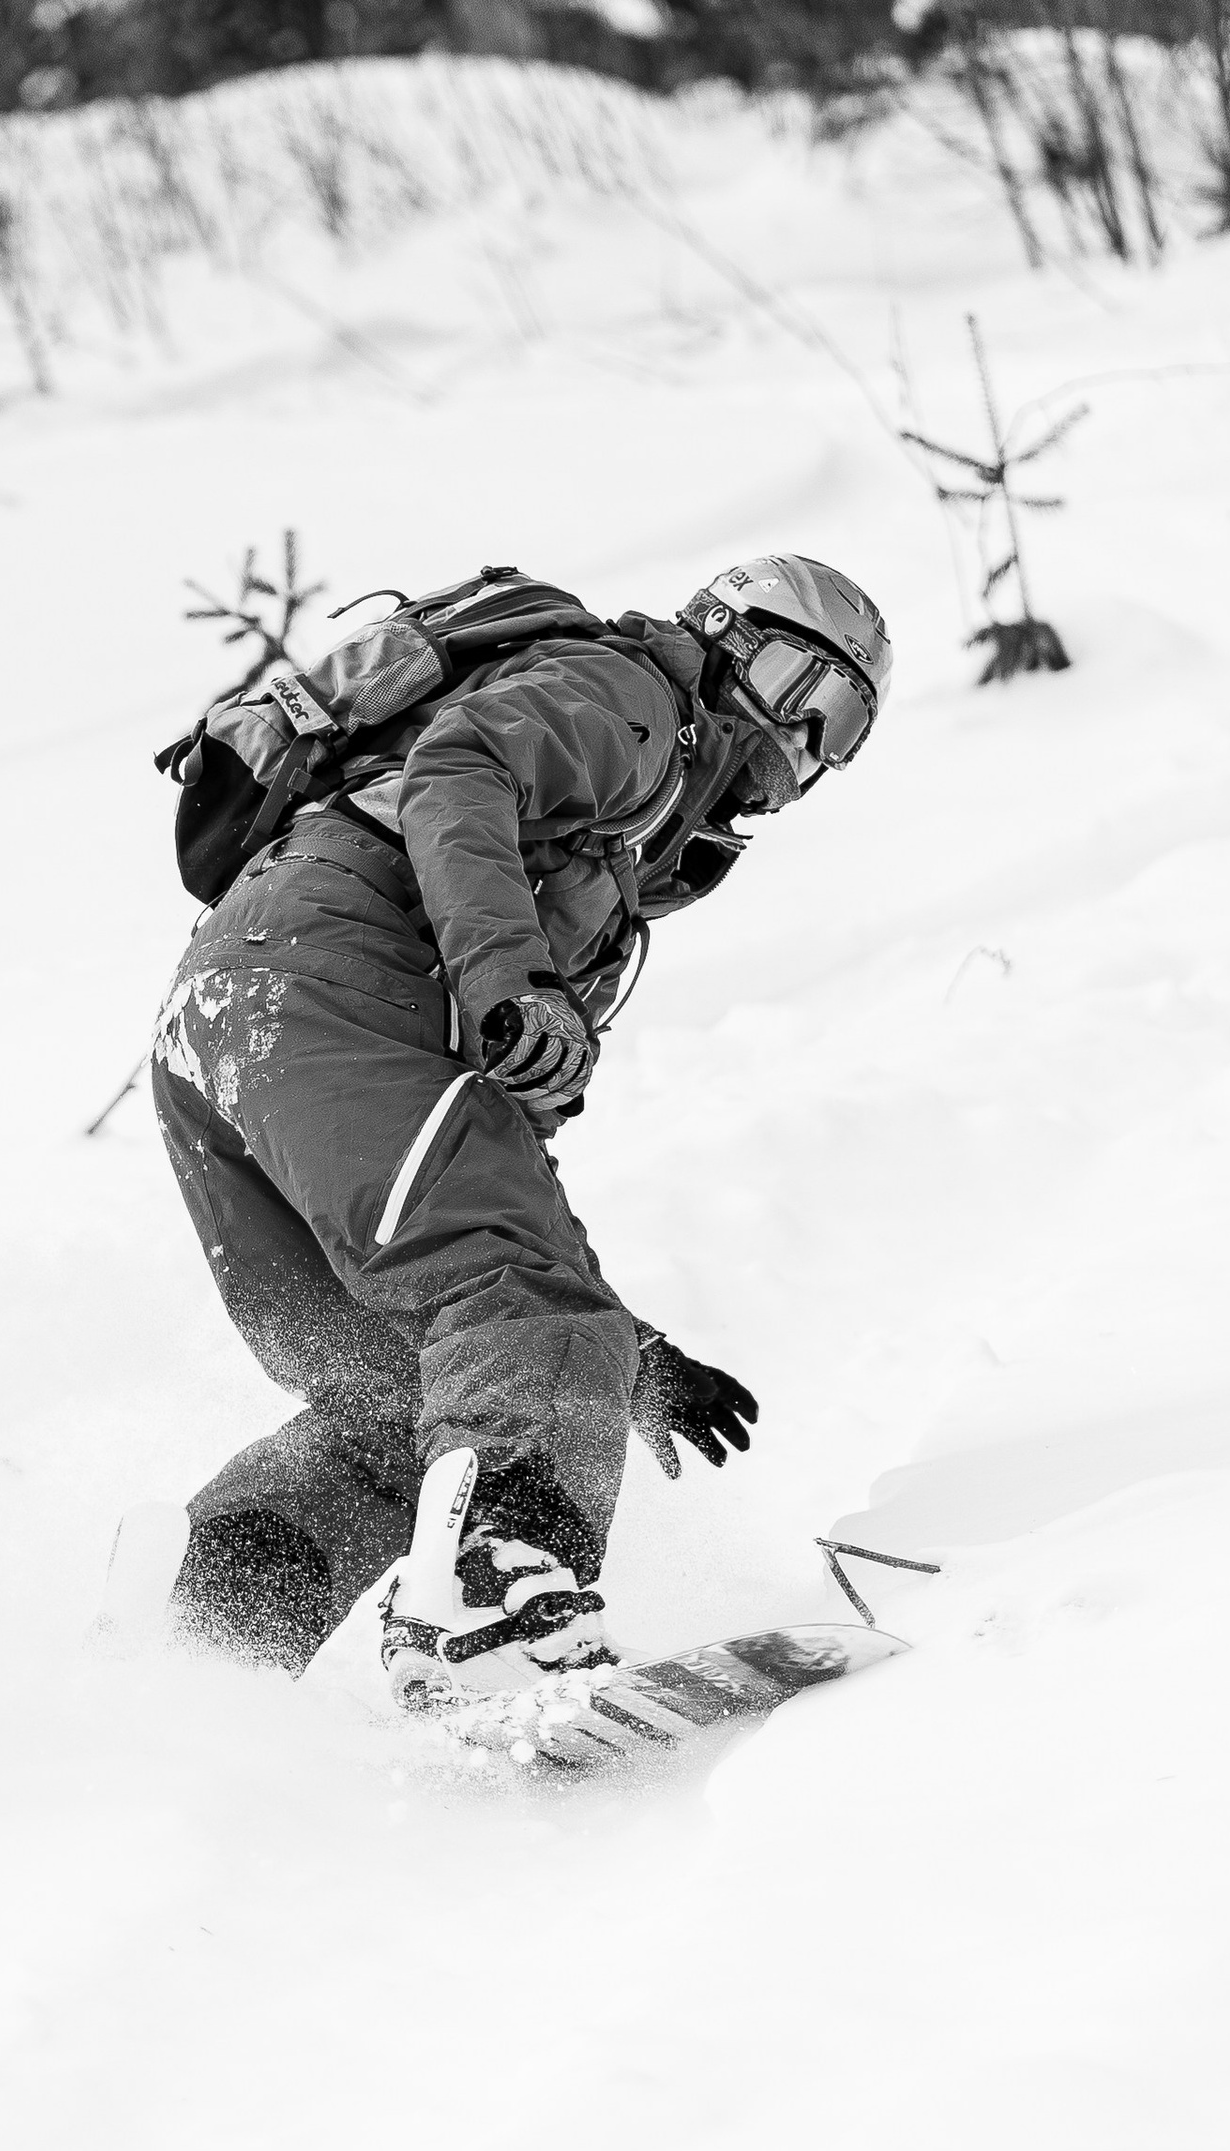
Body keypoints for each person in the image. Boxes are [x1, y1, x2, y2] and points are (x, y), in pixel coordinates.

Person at [145, 552, 891, 1704]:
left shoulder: (596, 861)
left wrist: (627, 1349)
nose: (797, 740)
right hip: (339, 974)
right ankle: (488, 1613)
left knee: (402, 1389)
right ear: (726, 640)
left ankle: (203, 1646)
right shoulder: (638, 696)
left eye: (837, 730)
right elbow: (459, 764)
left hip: (229, 1028)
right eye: (800, 686)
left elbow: (488, 1171)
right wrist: (509, 975)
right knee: (519, 1314)